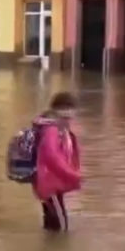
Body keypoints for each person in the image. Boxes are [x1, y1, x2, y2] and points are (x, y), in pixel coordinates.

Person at [32, 92, 82, 232]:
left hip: (50, 183)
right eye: (71, 109)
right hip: (49, 184)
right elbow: (51, 155)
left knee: (52, 226)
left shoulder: (59, 128)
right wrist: (72, 175)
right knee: (62, 228)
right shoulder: (52, 129)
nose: (73, 113)